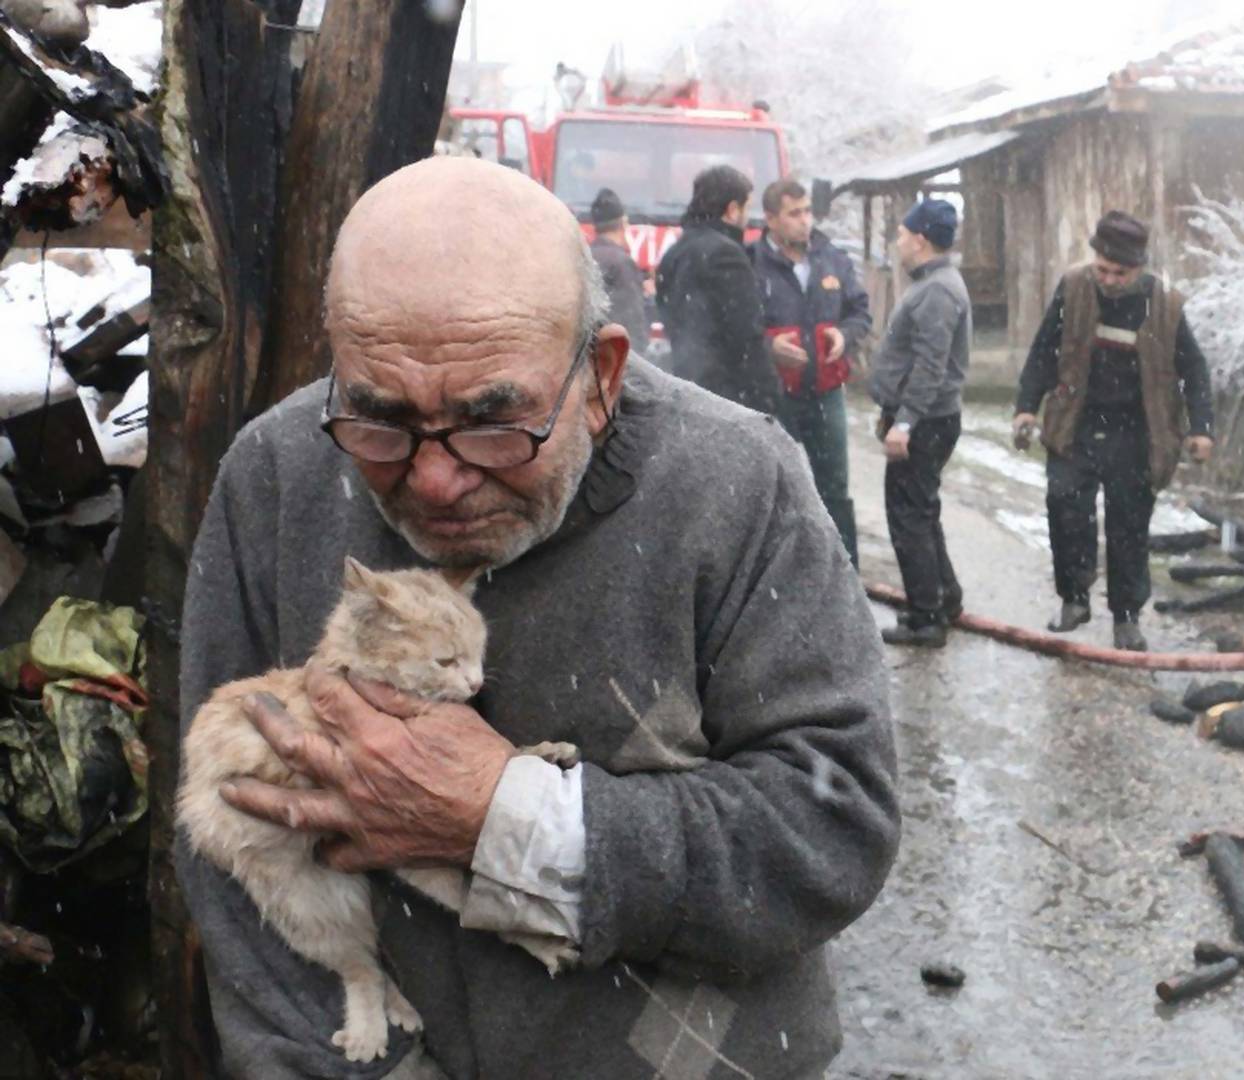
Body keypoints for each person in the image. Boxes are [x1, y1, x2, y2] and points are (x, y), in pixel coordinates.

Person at [175, 156, 899, 1079]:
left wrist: (506, 820)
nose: (434, 479)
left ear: (600, 376)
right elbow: (221, 849)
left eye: (493, 422)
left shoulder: (738, 483)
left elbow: (833, 829)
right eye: (380, 419)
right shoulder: (274, 476)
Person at [1013, 210, 1215, 652]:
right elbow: (1044, 350)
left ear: (1139, 267)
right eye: (1102, 269)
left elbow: (1194, 370)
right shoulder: (1073, 288)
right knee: (1064, 504)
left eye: (1119, 273)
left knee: (1128, 526)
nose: (1109, 279)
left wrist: (1202, 427)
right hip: (1077, 424)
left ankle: (1127, 616)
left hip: (1137, 432)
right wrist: (1027, 407)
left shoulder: (1165, 305)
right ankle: (1074, 598)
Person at [750, 178, 871, 566]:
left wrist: (845, 335)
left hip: (826, 392)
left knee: (834, 488)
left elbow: (859, 311)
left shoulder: (831, 258)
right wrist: (769, 348)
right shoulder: (751, 263)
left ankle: (846, 573)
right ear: (770, 219)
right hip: (775, 396)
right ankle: (780, 573)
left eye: (807, 212)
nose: (805, 221)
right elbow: (737, 328)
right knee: (773, 488)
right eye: (794, 214)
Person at [867, 199, 970, 648]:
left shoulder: (937, 291)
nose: (898, 242)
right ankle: (943, 597)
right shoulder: (935, 284)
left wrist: (904, 422)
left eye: (903, 234)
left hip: (925, 420)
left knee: (908, 517)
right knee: (922, 510)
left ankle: (927, 618)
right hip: (927, 417)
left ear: (921, 240)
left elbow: (931, 365)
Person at [653, 164, 778, 411]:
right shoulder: (727, 255)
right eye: (747, 208)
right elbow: (745, 335)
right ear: (732, 210)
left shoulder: (673, 253)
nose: (747, 217)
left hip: (685, 389)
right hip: (727, 397)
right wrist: (768, 396)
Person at [586, 187, 652, 351]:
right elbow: (631, 319)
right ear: (623, 224)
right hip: (614, 354)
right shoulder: (622, 263)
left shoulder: (585, 256)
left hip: (589, 351)